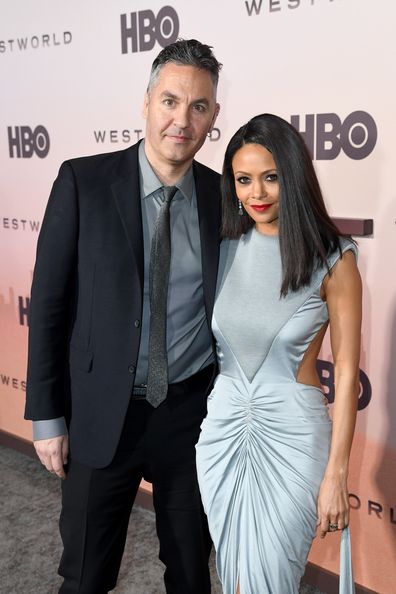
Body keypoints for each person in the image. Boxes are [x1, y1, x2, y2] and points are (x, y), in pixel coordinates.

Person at [25, 39, 222, 594]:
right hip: (99, 414)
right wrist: (47, 417)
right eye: (170, 101)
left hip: (190, 417)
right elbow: (48, 306)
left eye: (199, 106)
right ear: (145, 103)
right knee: (85, 575)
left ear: (213, 117)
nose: (182, 120)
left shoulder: (223, 196)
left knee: (189, 572)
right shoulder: (82, 182)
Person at [195, 113, 362, 594]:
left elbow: (348, 376)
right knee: (235, 579)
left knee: (271, 581)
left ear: (293, 174)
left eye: (270, 177)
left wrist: (337, 474)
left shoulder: (335, 257)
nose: (257, 193)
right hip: (222, 434)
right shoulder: (225, 247)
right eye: (243, 180)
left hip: (292, 439)